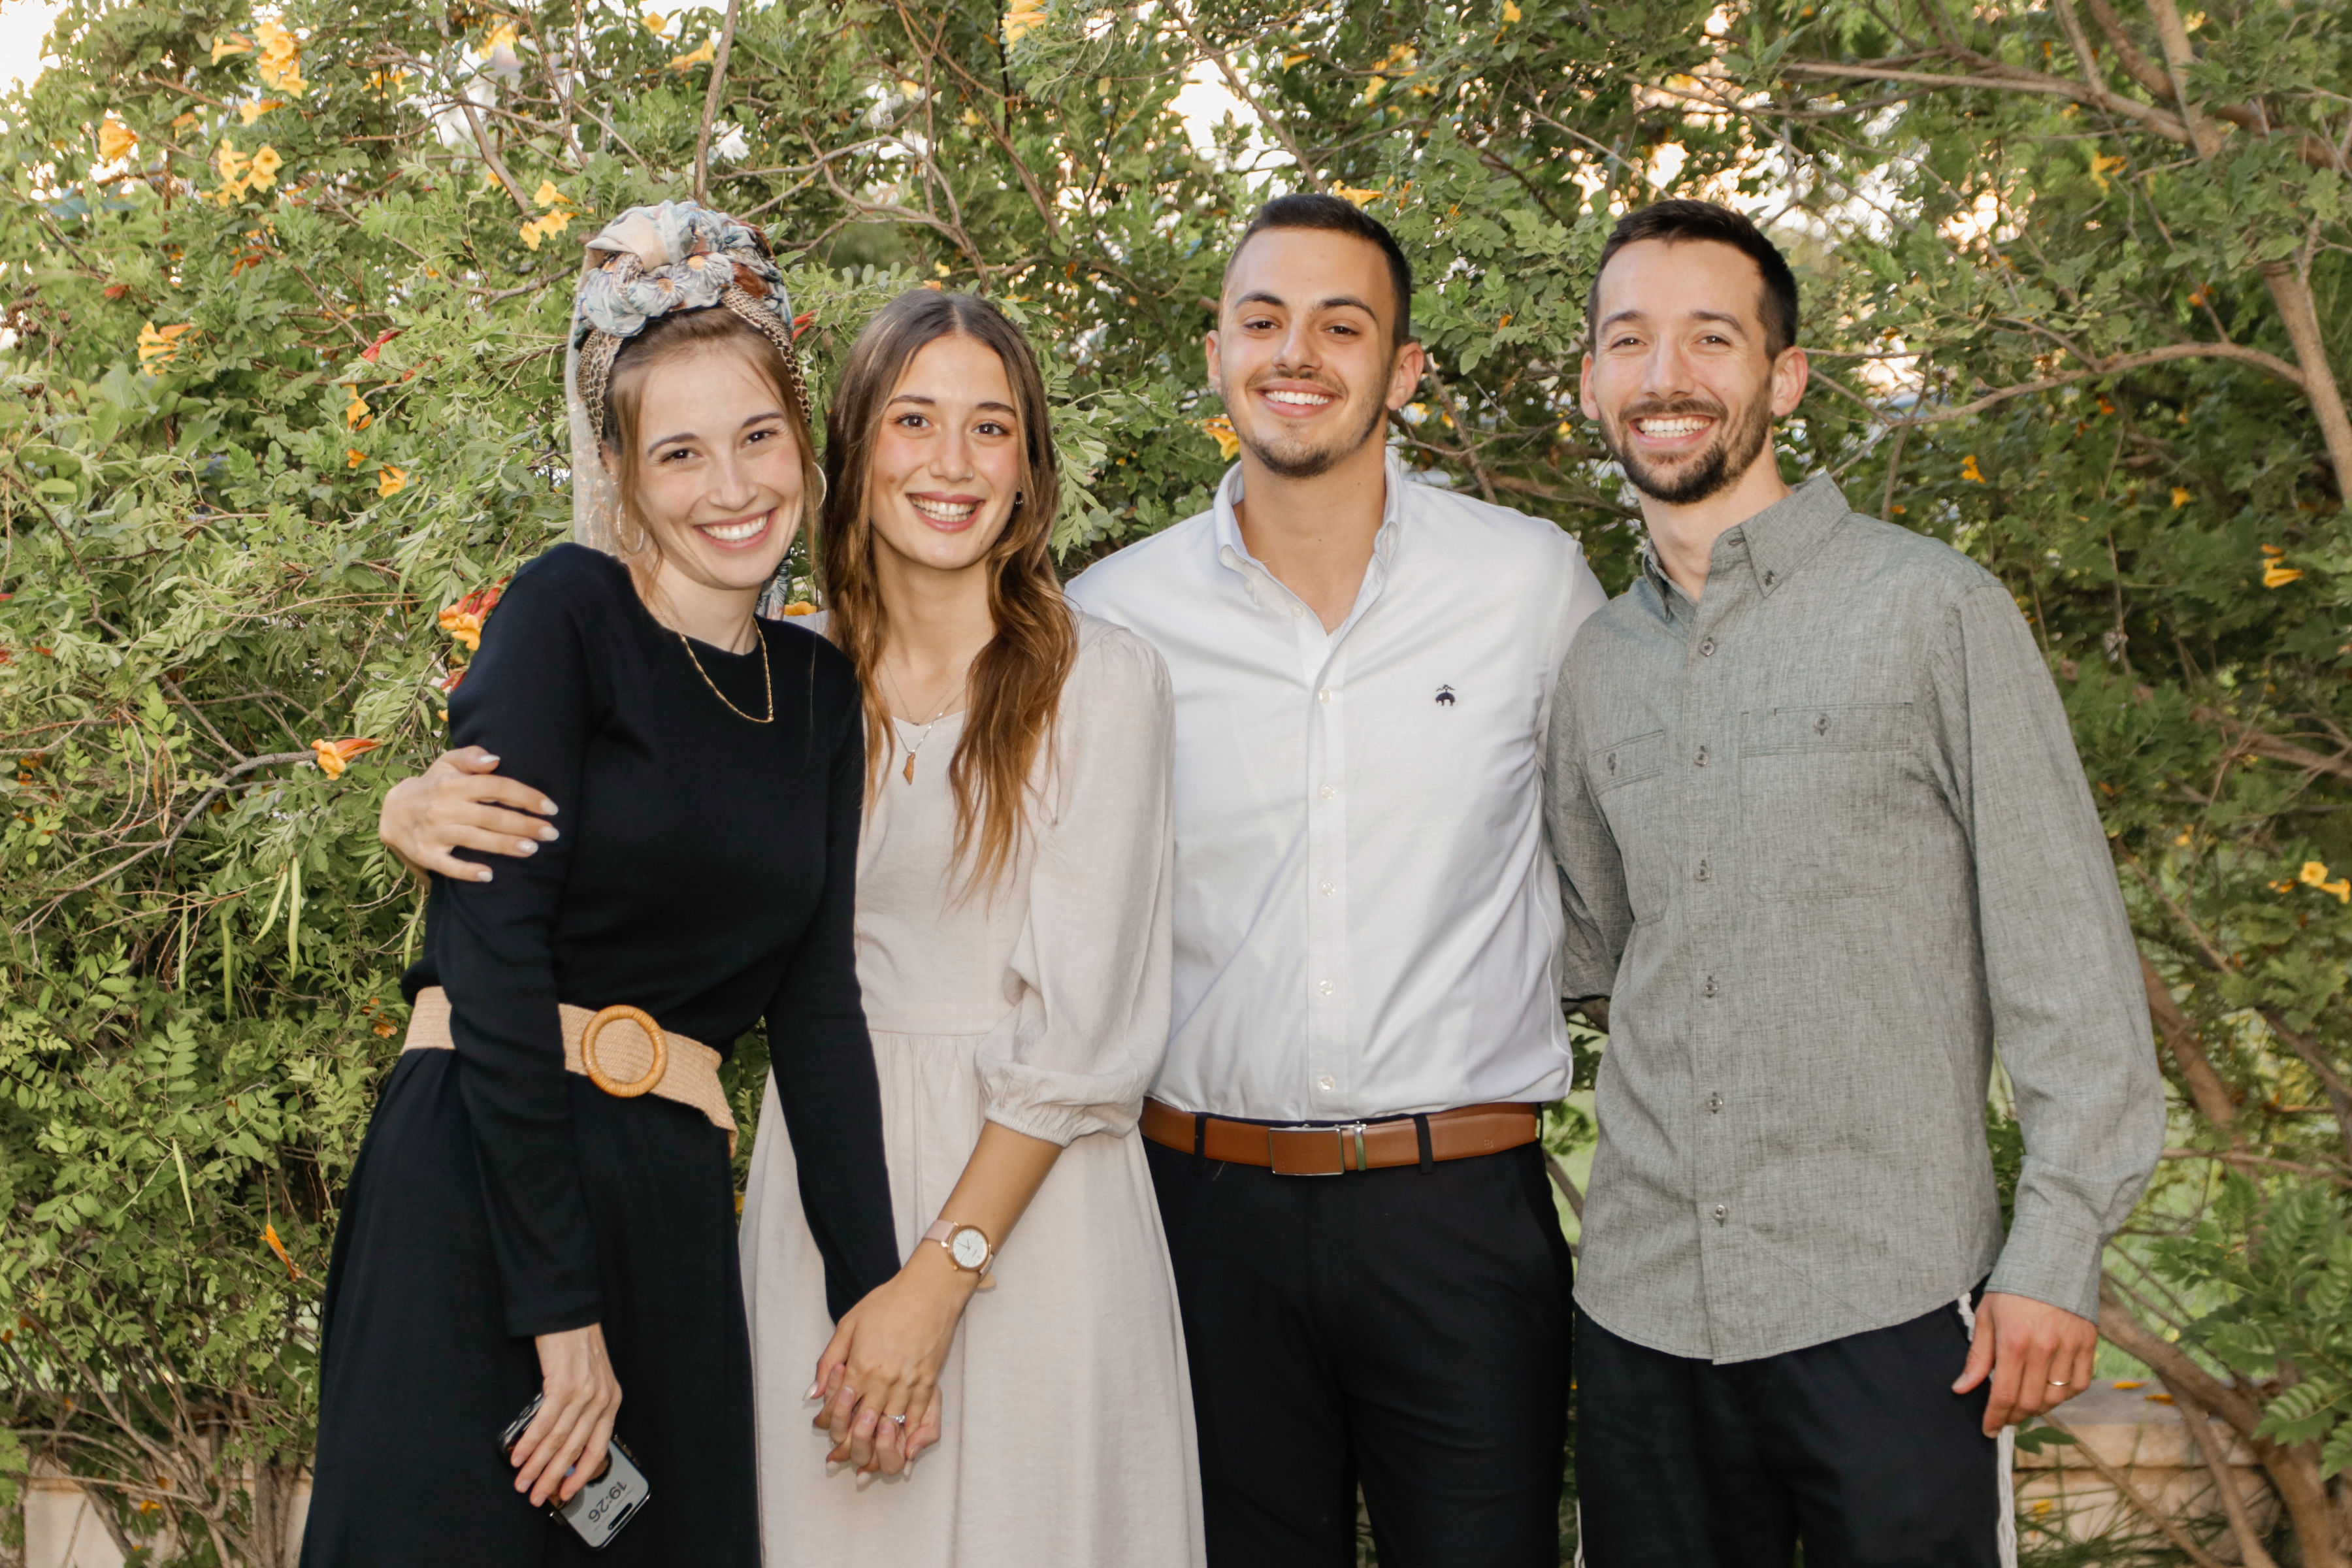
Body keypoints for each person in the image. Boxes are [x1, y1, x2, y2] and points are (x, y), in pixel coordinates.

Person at [379, 288, 1204, 1567]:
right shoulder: (786, 676)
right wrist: (414, 804)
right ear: (852, 451)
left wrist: (931, 1283)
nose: (951, 461)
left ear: (1031, 466)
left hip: (1029, 1206)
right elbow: (615, 856)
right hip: (828, 1190)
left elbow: (1083, 1032)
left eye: (991, 427)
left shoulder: (1103, 679)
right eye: (914, 420)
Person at [1544, 199, 2165, 1568]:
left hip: (1892, 1313)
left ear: (1786, 378)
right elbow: (1604, 958)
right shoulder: (1595, 669)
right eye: (1630, 341)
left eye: (1712, 339)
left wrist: (2056, 1252)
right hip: (1646, 1319)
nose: (1665, 376)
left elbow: (2066, 960)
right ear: (1590, 381)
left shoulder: (1933, 611)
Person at [304, 201, 900, 1566]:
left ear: (804, 448)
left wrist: (873, 1293)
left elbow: (817, 1016)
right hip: (482, 1179)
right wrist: (558, 1314)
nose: (731, 486)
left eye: (758, 438)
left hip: (670, 1207)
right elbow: (493, 960)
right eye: (679, 453)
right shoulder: (563, 613)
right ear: (622, 472)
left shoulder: (819, 691)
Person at [1063, 193, 1608, 1567]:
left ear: (1403, 368)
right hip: (1203, 1215)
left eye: (1340, 326)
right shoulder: (1111, 620)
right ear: (1216, 354)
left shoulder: (1530, 587)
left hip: (1458, 1217)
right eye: (1263, 320)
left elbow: (1624, 855)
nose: (1296, 352)